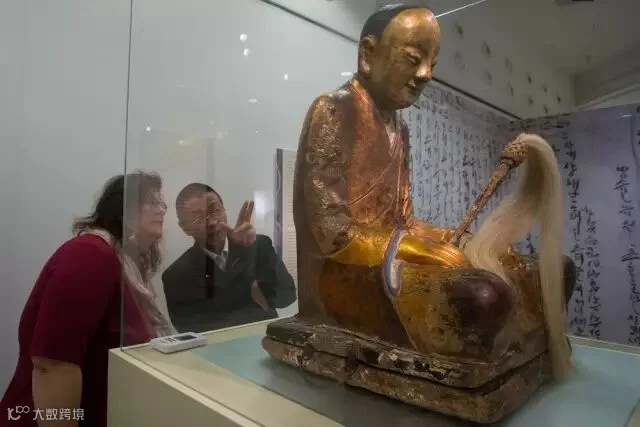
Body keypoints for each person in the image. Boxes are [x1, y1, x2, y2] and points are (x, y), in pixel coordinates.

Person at [0, 171, 174, 427]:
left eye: (162, 202)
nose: (161, 209)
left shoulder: (128, 267)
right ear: (122, 208)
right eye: (150, 201)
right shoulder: (89, 255)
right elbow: (52, 364)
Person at [162, 183, 296, 333]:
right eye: (198, 219)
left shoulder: (258, 245)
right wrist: (259, 306)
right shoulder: (176, 275)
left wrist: (246, 250)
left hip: (264, 339)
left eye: (215, 210)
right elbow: (193, 329)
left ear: (224, 210)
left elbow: (287, 297)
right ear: (184, 227)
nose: (212, 222)